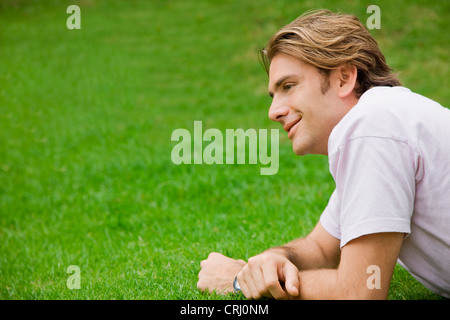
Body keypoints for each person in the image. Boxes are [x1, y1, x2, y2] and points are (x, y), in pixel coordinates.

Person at [197, 9, 450, 299]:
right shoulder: (383, 122)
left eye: (288, 86)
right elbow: (319, 248)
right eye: (274, 95)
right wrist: (270, 263)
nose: (273, 111)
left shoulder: (373, 124)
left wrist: (239, 282)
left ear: (344, 79)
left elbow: (360, 292)